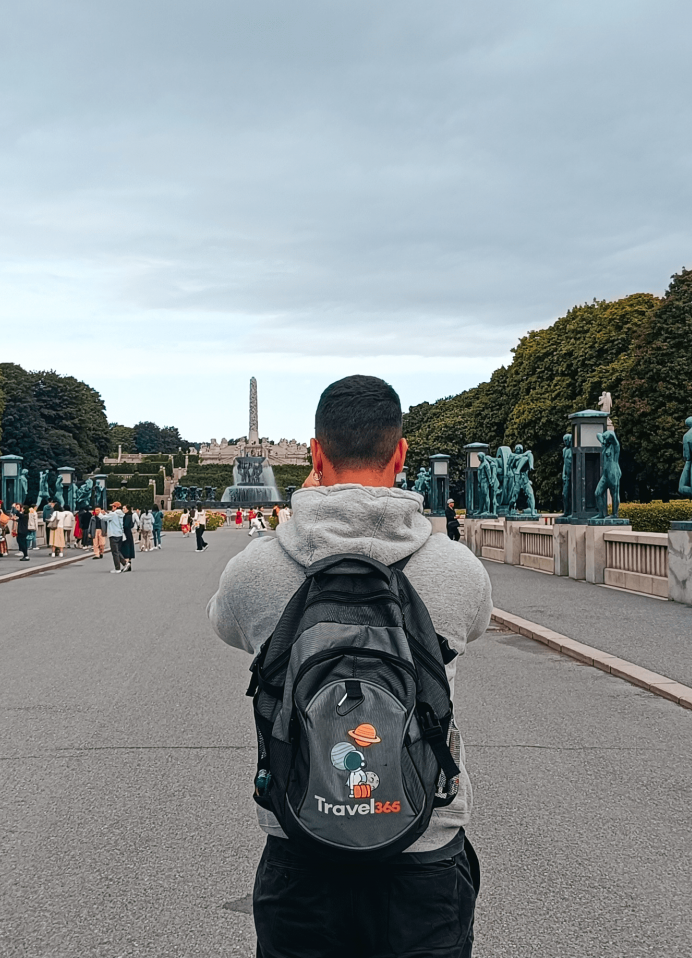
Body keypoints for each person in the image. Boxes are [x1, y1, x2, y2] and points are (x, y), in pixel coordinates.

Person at [207, 375, 491, 957]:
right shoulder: (456, 568)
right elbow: (475, 626)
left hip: (301, 839)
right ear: (402, 453)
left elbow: (226, 624)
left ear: (315, 454)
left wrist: (298, 514)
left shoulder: (257, 569)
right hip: (423, 844)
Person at [105, 501, 127, 573]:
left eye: (113, 506)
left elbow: (104, 518)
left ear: (116, 507)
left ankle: (117, 568)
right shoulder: (121, 514)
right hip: (120, 534)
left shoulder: (113, 514)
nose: (112, 508)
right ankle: (125, 563)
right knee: (117, 551)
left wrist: (99, 514)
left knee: (115, 551)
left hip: (113, 534)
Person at [121, 504, 136, 571]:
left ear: (127, 509)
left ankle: (127, 563)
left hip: (126, 533)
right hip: (128, 533)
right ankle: (129, 564)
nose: (123, 510)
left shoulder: (127, 516)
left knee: (126, 548)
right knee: (129, 547)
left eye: (124, 508)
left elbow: (126, 525)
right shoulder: (130, 516)